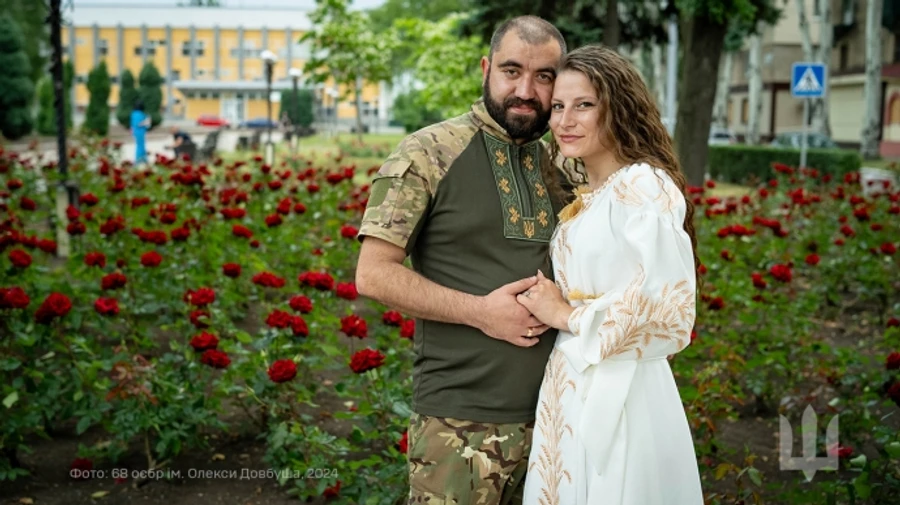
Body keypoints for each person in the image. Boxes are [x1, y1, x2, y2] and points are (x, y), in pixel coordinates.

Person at [355, 16, 581, 505]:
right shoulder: (428, 152)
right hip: (458, 425)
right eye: (511, 70)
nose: (525, 89)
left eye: (544, 76)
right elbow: (372, 275)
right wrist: (481, 313)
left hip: (559, 422)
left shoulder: (564, 169)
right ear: (486, 68)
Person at [514, 45, 704, 505]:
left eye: (584, 105)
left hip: (623, 393)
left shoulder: (643, 185)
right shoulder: (592, 192)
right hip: (572, 378)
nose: (565, 121)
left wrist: (567, 314)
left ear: (617, 107)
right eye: (558, 106)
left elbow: (669, 308)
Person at [130, 100, 150, 165]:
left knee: (140, 145)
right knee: (140, 145)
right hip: (140, 131)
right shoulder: (140, 114)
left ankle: (142, 158)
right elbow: (138, 123)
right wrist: (146, 122)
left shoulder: (133, 113)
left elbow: (132, 124)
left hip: (136, 131)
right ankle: (139, 159)